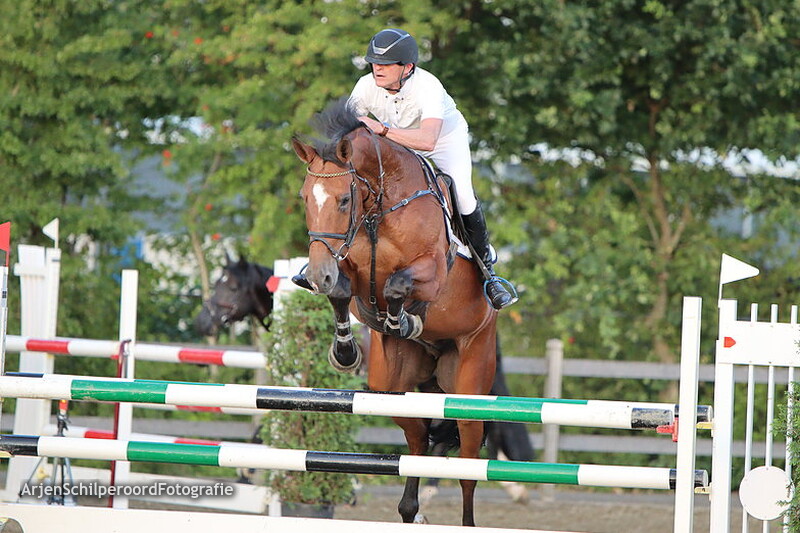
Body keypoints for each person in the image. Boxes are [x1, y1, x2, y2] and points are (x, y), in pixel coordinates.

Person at [295, 28, 517, 310]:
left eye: (386, 64)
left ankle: (489, 274)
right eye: (374, 63)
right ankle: (326, 257)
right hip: (396, 143)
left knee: (462, 195)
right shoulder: (365, 86)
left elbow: (427, 141)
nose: (378, 69)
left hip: (442, 141)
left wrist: (382, 129)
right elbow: (343, 137)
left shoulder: (428, 87)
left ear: (407, 67)